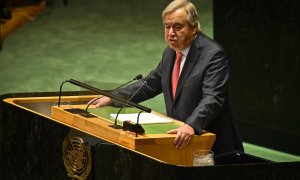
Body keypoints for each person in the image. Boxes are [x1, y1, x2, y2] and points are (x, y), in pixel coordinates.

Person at [89, 0, 244, 155]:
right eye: (167, 26)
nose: (171, 33)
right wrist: (113, 97)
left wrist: (191, 125)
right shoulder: (170, 53)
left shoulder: (212, 55)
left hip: (212, 144)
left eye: (177, 27)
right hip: (180, 140)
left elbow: (212, 98)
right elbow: (149, 84)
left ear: (194, 28)